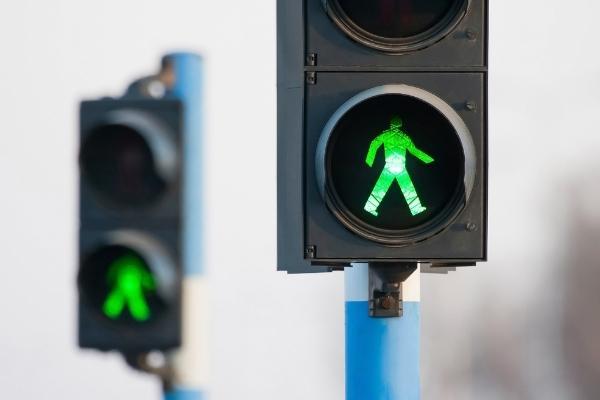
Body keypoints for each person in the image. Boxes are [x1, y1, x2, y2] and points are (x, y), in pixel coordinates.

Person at [364, 116, 434, 217]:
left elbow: (374, 144)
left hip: (389, 166)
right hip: (400, 167)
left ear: (391, 125)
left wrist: (369, 161)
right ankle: (416, 209)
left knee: (380, 188)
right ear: (400, 125)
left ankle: (369, 207)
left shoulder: (385, 135)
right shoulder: (404, 137)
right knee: (408, 188)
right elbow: (414, 151)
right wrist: (428, 159)